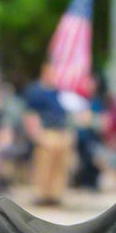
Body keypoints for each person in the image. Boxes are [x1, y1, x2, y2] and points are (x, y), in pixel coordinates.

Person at [23, 64, 73, 206]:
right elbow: (30, 114)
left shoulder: (58, 92)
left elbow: (66, 114)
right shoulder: (36, 91)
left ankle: (55, 195)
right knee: (44, 166)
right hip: (46, 131)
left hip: (61, 132)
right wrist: (36, 134)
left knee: (59, 166)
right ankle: (41, 195)